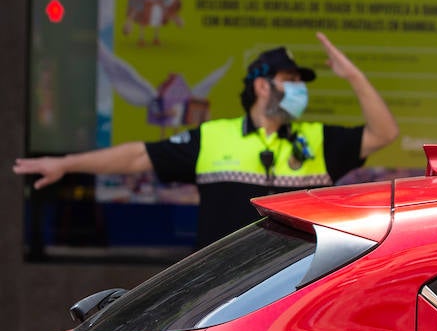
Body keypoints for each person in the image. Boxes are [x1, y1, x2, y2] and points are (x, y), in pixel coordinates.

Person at [13, 32, 398, 248]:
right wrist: (65, 163)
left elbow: (385, 133)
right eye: (291, 82)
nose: (299, 91)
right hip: (223, 291)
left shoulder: (316, 140)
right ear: (262, 86)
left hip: (296, 286)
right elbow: (136, 158)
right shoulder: (214, 137)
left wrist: (354, 77)